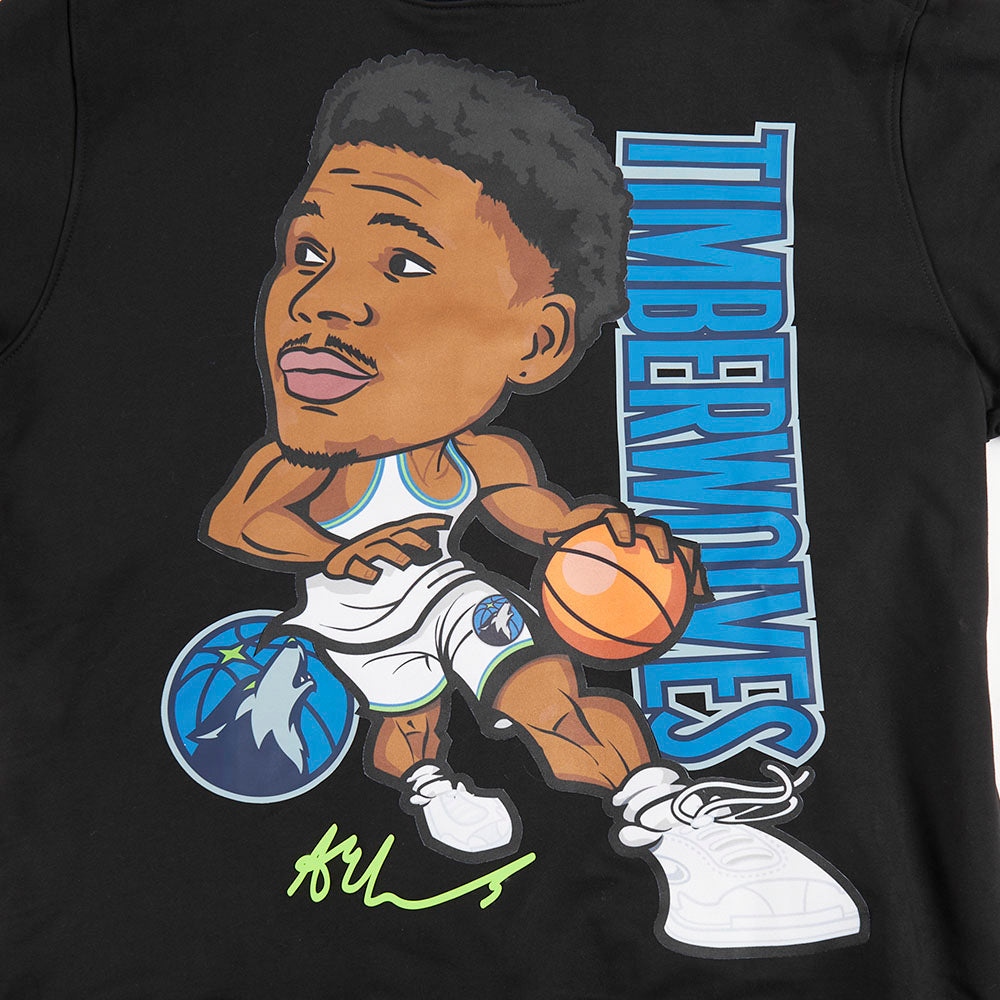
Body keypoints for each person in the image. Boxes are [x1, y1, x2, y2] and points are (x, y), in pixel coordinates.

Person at [200, 51, 865, 955]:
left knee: (542, 684)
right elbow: (237, 522)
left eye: (402, 263)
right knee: (405, 740)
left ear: (539, 339)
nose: (326, 302)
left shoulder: (482, 454)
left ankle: (670, 817)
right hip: (343, 623)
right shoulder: (303, 464)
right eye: (309, 253)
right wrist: (331, 551)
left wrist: (607, 537)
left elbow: (539, 515)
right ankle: (432, 785)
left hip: (440, 595)